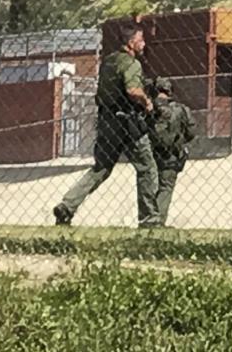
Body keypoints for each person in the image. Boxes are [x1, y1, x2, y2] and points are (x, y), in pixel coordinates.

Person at [52, 24, 162, 228]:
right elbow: (132, 90)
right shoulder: (131, 63)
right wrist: (147, 102)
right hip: (128, 123)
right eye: (141, 40)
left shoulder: (108, 62)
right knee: (147, 167)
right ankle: (149, 218)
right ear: (131, 43)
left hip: (106, 121)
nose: (144, 44)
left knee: (101, 168)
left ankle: (67, 205)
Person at [148, 77, 196, 225]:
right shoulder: (181, 109)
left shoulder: (148, 107)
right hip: (172, 154)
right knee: (166, 187)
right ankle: (158, 221)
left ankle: (147, 218)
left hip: (150, 153)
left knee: (148, 187)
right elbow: (191, 132)